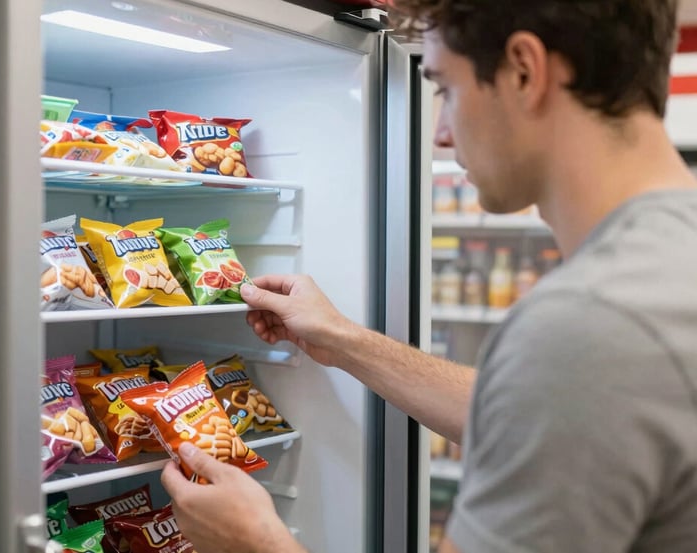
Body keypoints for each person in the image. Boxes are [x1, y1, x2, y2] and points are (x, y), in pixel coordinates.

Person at [161, 1, 697, 551]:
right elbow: (539, 414)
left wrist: (257, 544)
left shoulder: (590, 324)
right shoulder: (663, 268)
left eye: (447, 89)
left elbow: (562, 385)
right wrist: (342, 340)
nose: (439, 133)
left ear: (524, 71)